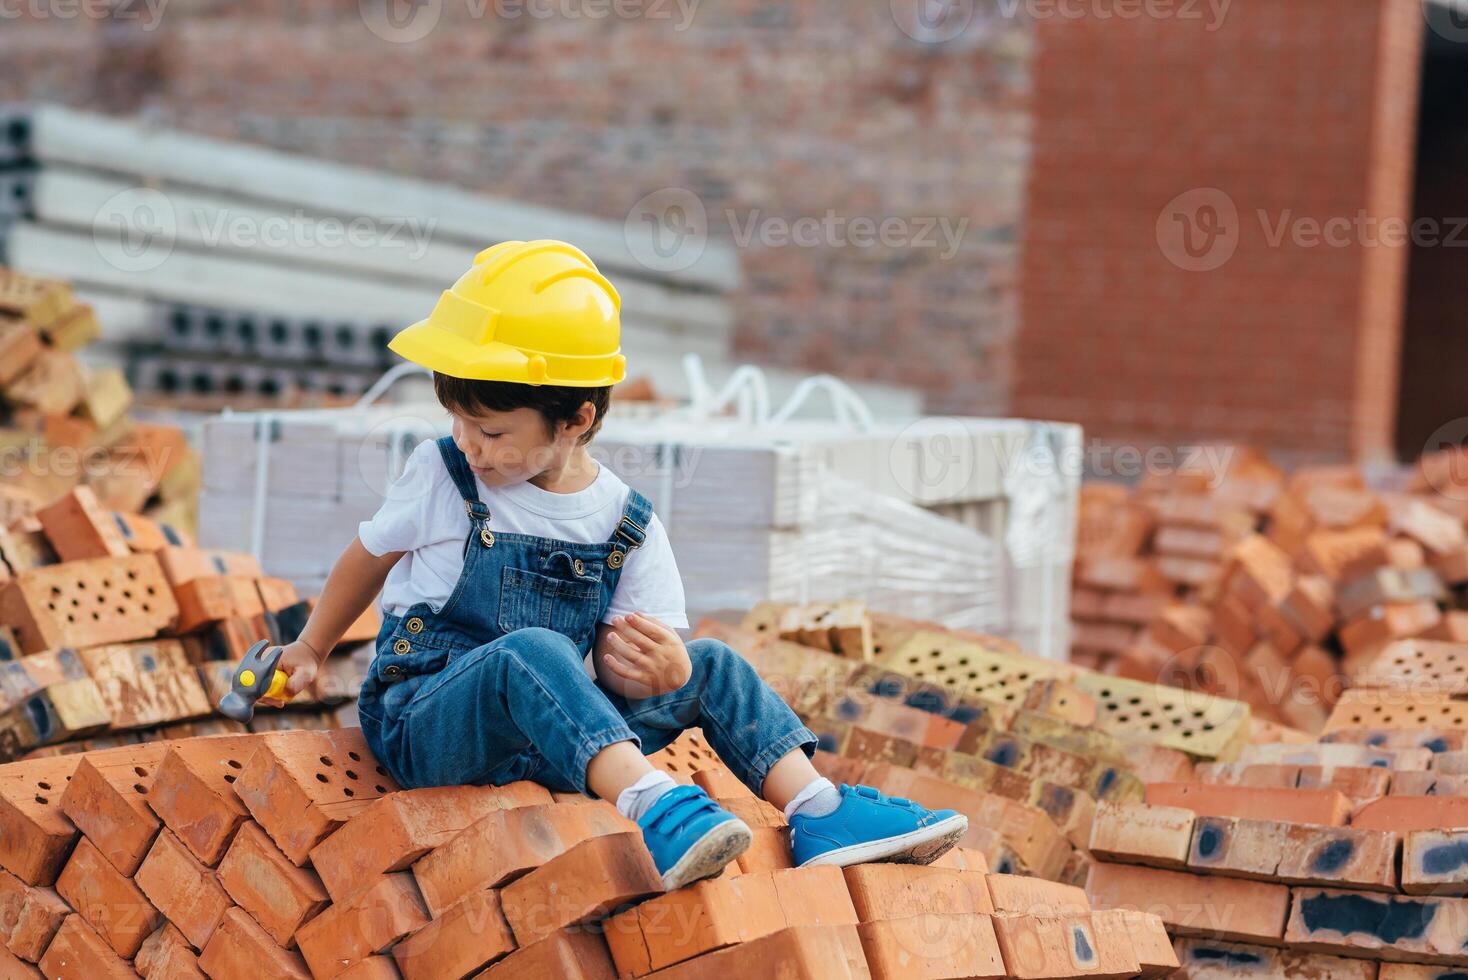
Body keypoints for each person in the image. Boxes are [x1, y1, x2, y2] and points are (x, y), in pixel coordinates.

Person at [266, 240, 968, 889]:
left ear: (573, 418)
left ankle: (820, 809)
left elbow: (628, 657)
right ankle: (652, 808)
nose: (470, 445)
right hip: (428, 725)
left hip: (555, 742)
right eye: (459, 421)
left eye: (491, 430)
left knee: (712, 664)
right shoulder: (444, 476)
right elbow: (371, 556)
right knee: (532, 653)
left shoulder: (625, 523)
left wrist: (666, 672)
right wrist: (310, 646)